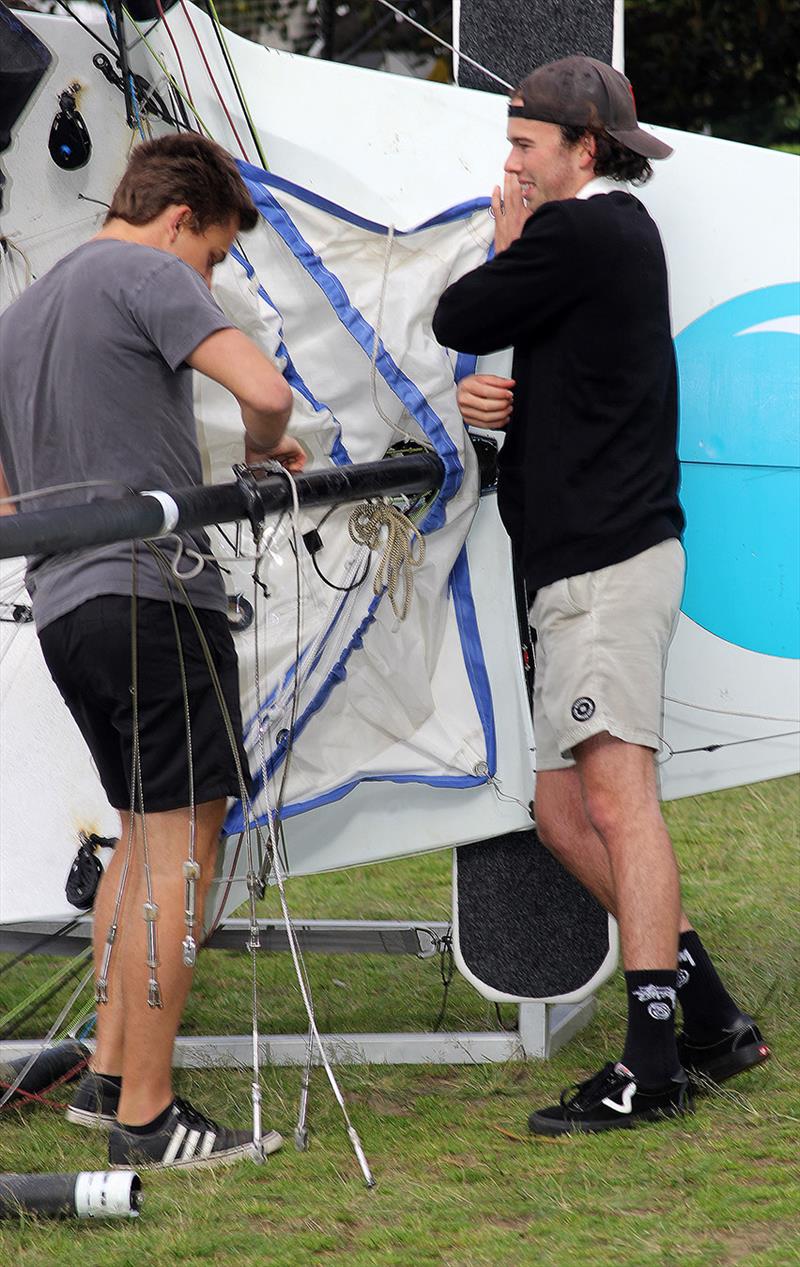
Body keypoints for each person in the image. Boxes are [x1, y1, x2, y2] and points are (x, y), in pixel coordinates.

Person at [433, 56, 769, 1135]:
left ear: (584, 148)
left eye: (525, 147)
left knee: (614, 803)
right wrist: (514, 405)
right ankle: (706, 1013)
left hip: (599, 570)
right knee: (561, 810)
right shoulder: (607, 238)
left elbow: (457, 310)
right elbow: (582, 377)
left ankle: (651, 1064)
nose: (509, 165)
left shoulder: (576, 229)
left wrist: (502, 245)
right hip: (587, 567)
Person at [0, 132, 305, 1169]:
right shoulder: (144, 267)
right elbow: (263, 391)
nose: (208, 275)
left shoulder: (25, 312)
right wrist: (264, 457)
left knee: (137, 839)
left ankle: (108, 1078)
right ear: (180, 219)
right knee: (178, 847)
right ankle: (147, 1114)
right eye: (215, 255)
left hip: (63, 609)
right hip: (153, 595)